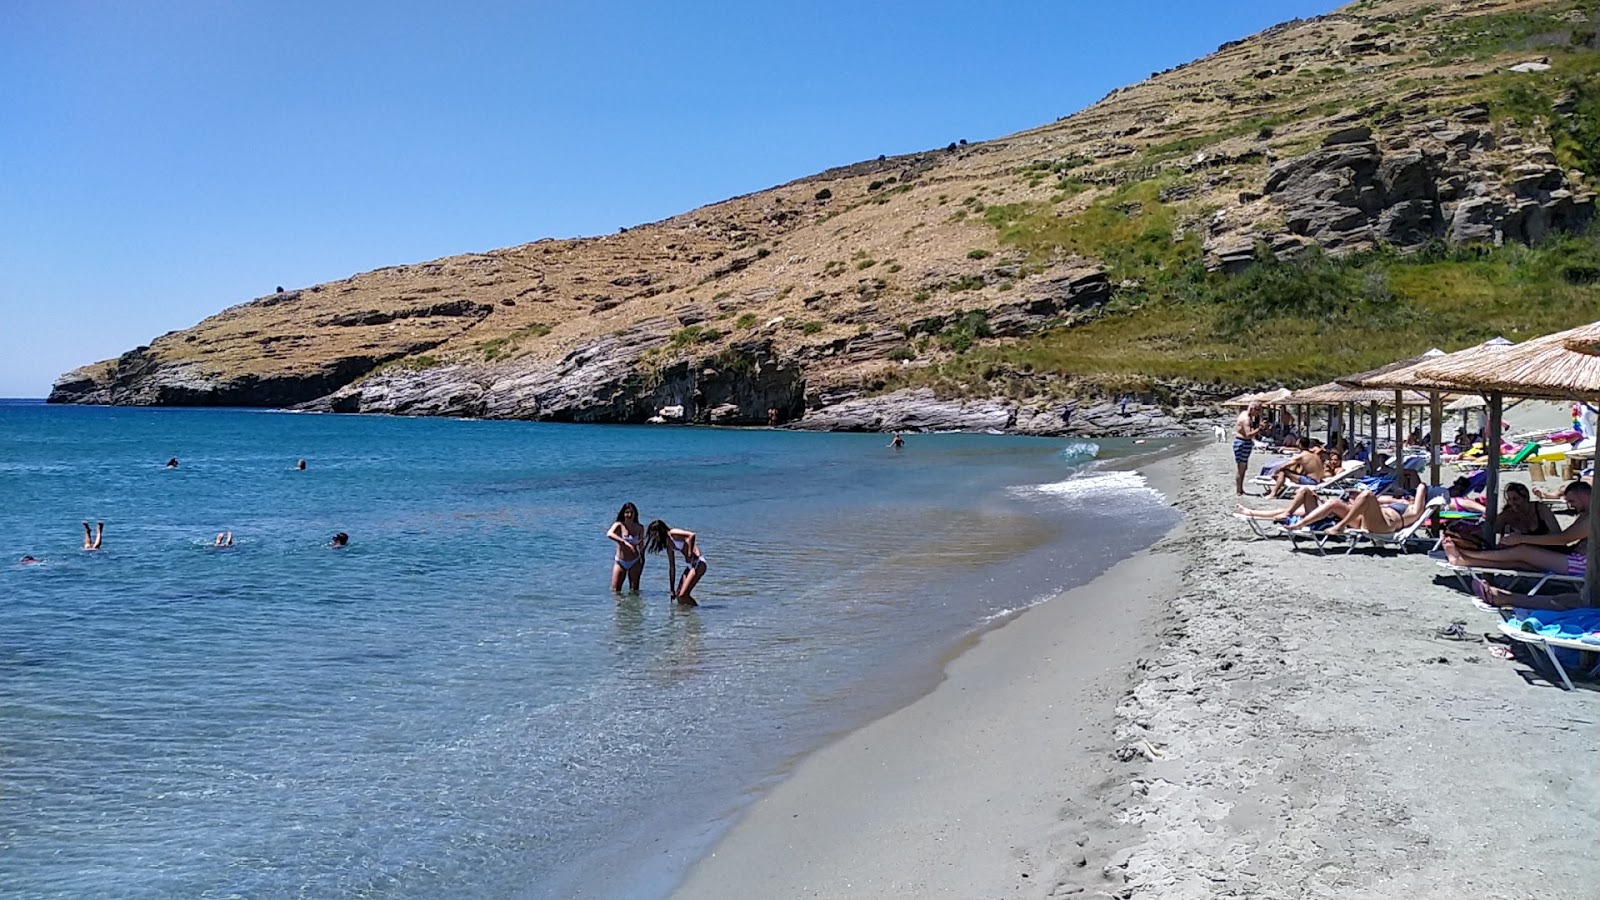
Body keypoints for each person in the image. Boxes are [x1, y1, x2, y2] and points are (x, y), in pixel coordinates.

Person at [1442, 481, 1590, 575]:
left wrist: (1520, 538)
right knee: (1520, 562)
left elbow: (1562, 538)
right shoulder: (1587, 514)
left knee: (1523, 551)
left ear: (1583, 496)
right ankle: (1463, 560)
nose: (1571, 506)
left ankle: (1466, 553)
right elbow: (1492, 529)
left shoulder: (1591, 518)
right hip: (1576, 559)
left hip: (1583, 564)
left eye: (1572, 501)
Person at [645, 519, 706, 606]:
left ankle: (698, 611)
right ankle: (688, 616)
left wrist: (689, 552)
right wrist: (671, 589)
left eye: (654, 533)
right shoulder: (669, 545)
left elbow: (692, 535)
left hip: (698, 562)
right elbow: (672, 567)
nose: (654, 536)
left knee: (682, 595)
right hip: (690, 566)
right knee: (678, 595)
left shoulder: (673, 533)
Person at [607, 502, 646, 593]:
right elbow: (609, 534)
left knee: (634, 590)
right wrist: (624, 542)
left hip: (635, 561)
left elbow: (641, 546)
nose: (629, 515)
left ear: (635, 514)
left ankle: (633, 607)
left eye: (632, 512)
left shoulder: (639, 528)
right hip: (620, 561)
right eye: (627, 512)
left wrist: (643, 560)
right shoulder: (619, 525)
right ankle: (619, 607)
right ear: (623, 513)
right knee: (615, 590)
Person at [1233, 401, 1266, 496]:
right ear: (1253, 409)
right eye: (1258, 411)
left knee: (1243, 466)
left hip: (1243, 442)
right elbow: (1248, 435)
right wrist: (1259, 429)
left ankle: (1240, 489)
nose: (1258, 413)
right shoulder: (1246, 419)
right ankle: (1239, 490)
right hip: (1242, 442)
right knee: (1241, 467)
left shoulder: (1245, 414)